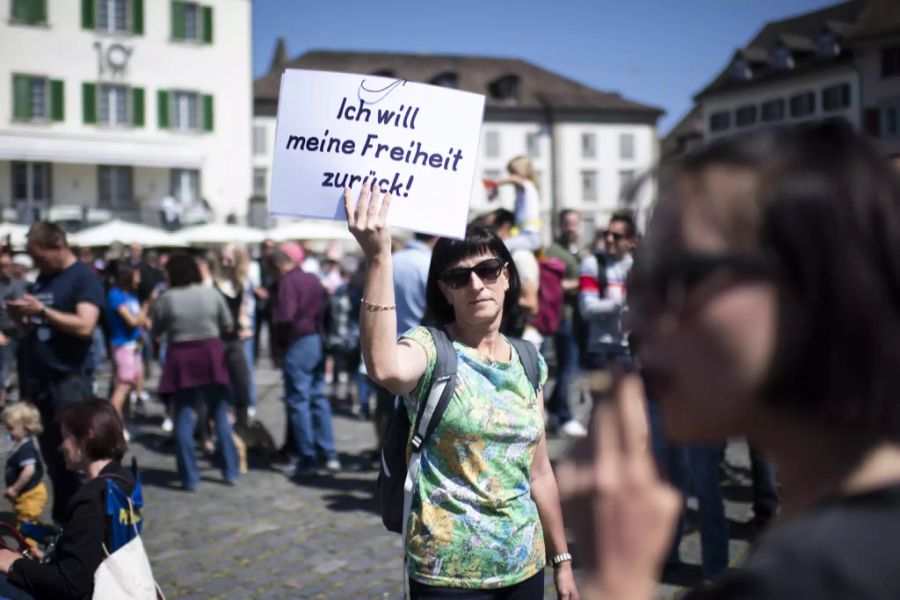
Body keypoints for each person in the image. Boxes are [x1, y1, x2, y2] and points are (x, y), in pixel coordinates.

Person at [556, 121, 900, 599]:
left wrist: (614, 581)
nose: (634, 320)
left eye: (678, 277)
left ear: (817, 286)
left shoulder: (820, 580)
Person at [346, 185, 579, 600]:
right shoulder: (431, 349)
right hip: (447, 573)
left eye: (488, 270)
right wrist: (378, 257)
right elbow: (384, 367)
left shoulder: (528, 360)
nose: (476, 284)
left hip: (523, 564)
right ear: (445, 291)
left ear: (507, 276)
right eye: (459, 277)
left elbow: (540, 472)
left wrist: (561, 562)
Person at [8, 222, 104, 523]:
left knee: (75, 460)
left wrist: (43, 312)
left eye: (40, 257)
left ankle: (84, 528)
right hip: (41, 382)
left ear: (58, 246)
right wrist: (21, 319)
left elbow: (86, 324)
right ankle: (66, 525)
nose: (36, 263)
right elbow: (37, 327)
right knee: (54, 462)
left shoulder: (83, 278)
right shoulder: (45, 279)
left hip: (69, 382)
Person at [0, 399, 137, 600]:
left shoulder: (92, 501)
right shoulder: (123, 482)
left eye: (65, 437)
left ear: (87, 436)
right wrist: (51, 556)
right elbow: (88, 553)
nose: (61, 446)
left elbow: (70, 585)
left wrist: (14, 564)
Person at [152, 253, 239, 491]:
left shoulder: (166, 298)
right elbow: (228, 324)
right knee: (220, 414)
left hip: (181, 357)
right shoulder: (210, 293)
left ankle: (190, 477)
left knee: (183, 416)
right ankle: (230, 470)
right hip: (210, 354)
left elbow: (156, 328)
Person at [271, 242, 341, 477]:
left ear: (282, 262)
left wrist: (279, 346)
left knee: (299, 400)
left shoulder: (288, 281)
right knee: (317, 397)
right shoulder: (312, 279)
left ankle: (307, 455)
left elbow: (285, 318)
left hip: (299, 342)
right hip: (317, 341)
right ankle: (328, 453)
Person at [544, 210, 586, 437]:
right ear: (560, 226)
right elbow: (551, 285)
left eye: (574, 223)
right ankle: (563, 415)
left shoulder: (578, 252)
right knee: (567, 369)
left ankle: (555, 409)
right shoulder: (554, 252)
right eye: (567, 224)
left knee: (571, 368)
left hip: (578, 316)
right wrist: (580, 283)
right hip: (563, 318)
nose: (571, 228)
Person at [106, 263, 150, 430]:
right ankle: (113, 427)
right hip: (122, 345)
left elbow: (141, 320)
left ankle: (123, 424)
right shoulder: (115, 295)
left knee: (129, 386)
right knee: (123, 386)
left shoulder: (130, 295)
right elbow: (132, 321)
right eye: (136, 276)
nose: (139, 281)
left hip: (134, 344)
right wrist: (146, 308)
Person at [2, 403, 46, 535]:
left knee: (27, 525)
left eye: (12, 428)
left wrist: (15, 488)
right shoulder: (21, 444)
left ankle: (30, 549)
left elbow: (29, 470)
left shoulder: (26, 449)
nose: (9, 432)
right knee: (23, 519)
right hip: (26, 494)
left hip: (30, 494)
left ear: (26, 428)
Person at [488, 156, 543, 252]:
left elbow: (515, 179)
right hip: (524, 235)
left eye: (512, 172)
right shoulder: (524, 191)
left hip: (530, 236)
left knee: (501, 247)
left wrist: (495, 183)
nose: (510, 175)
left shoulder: (527, 185)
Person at [0, 251, 27, 406]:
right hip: (5, 334)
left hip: (23, 333)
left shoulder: (21, 284)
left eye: (10, 265)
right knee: (3, 372)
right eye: (3, 266)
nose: (7, 268)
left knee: (26, 372)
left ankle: (25, 405)